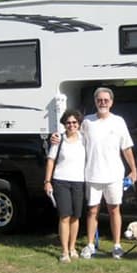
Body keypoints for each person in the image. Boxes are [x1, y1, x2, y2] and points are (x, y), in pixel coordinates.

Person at [52, 87, 137, 259]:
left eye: (106, 100)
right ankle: (90, 245)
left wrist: (134, 170)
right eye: (99, 100)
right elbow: (71, 133)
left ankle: (116, 246)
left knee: (115, 210)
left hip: (114, 175)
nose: (103, 103)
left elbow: (126, 148)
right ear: (95, 101)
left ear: (111, 102)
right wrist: (56, 137)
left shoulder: (119, 121)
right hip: (91, 174)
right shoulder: (87, 122)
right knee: (92, 211)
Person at [44, 109, 86, 263]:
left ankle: (73, 247)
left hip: (79, 181)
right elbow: (50, 160)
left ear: (79, 123)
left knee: (76, 217)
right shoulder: (58, 140)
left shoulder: (84, 139)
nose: (72, 125)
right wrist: (47, 181)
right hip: (61, 181)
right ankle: (64, 252)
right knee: (64, 216)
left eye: (74, 122)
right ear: (64, 124)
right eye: (68, 122)